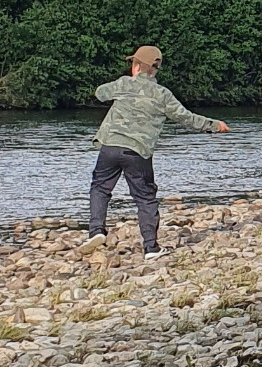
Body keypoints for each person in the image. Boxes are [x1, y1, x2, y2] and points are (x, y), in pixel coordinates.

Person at [86, 46, 229, 259]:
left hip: (110, 146)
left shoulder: (124, 84)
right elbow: (186, 118)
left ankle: (96, 231)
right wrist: (214, 125)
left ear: (135, 66)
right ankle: (151, 248)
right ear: (156, 69)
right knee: (145, 197)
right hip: (138, 153)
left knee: (100, 187)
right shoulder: (163, 95)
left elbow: (99, 93)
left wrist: (125, 83)